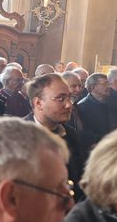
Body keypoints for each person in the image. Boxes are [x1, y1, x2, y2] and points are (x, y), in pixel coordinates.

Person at [26, 72, 86, 200]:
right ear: (38, 103)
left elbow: (79, 183)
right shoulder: (18, 137)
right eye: (60, 99)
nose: (69, 104)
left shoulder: (71, 135)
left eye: (69, 98)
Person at [77, 71, 117, 151]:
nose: (109, 87)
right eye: (105, 84)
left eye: (109, 84)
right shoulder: (83, 107)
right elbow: (84, 133)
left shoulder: (111, 104)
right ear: (93, 87)